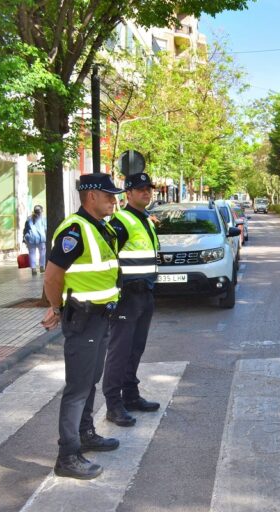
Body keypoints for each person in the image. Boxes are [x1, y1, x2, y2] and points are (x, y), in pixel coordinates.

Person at [40, 173, 123, 480]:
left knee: (90, 381)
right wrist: (57, 307)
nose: (114, 200)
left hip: (100, 317)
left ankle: (86, 433)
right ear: (91, 197)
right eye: (108, 195)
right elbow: (52, 276)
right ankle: (67, 455)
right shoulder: (74, 230)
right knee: (78, 387)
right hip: (83, 317)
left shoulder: (99, 227)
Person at [103, 172, 160, 427]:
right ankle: (113, 405)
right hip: (127, 296)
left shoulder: (144, 219)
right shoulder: (121, 222)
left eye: (148, 189)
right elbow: (108, 258)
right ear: (128, 194)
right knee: (120, 350)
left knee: (136, 348)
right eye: (140, 189)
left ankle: (131, 395)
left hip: (145, 293)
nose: (146, 193)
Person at [23, 205, 47, 275]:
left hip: (31, 239)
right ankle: (42, 267)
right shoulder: (43, 219)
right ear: (41, 211)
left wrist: (24, 238)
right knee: (42, 253)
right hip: (41, 239)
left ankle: (33, 269)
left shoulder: (29, 218)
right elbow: (46, 229)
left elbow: (25, 229)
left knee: (32, 254)